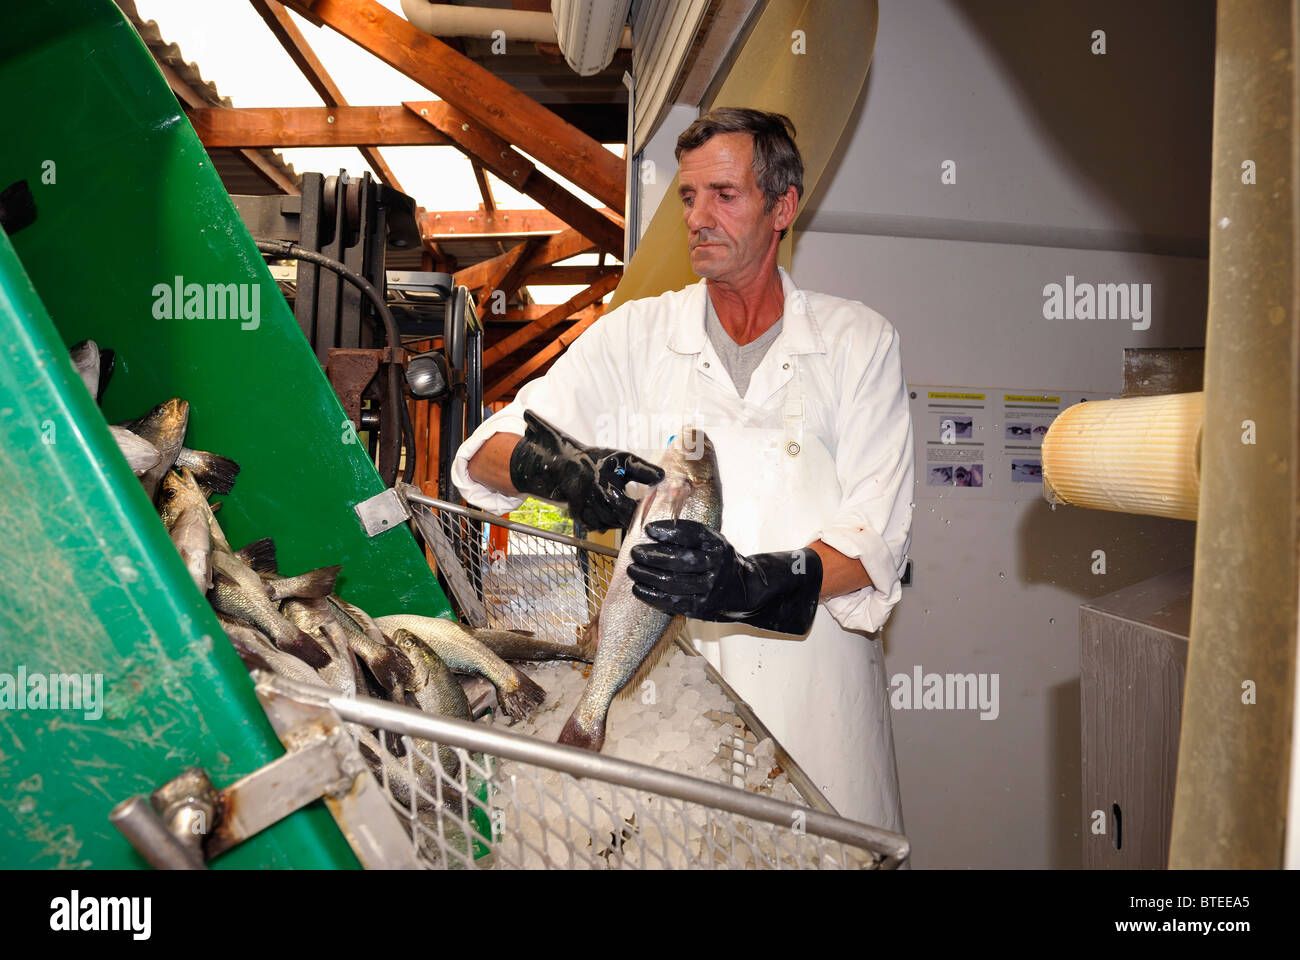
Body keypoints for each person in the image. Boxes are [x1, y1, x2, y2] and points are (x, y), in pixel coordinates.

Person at [452, 107, 914, 833]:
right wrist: (570, 471)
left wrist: (751, 584)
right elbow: (485, 453)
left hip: (816, 720)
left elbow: (875, 541)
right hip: (667, 719)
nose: (699, 216)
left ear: (782, 207)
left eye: (724, 194)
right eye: (689, 197)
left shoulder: (857, 341)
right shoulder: (638, 334)